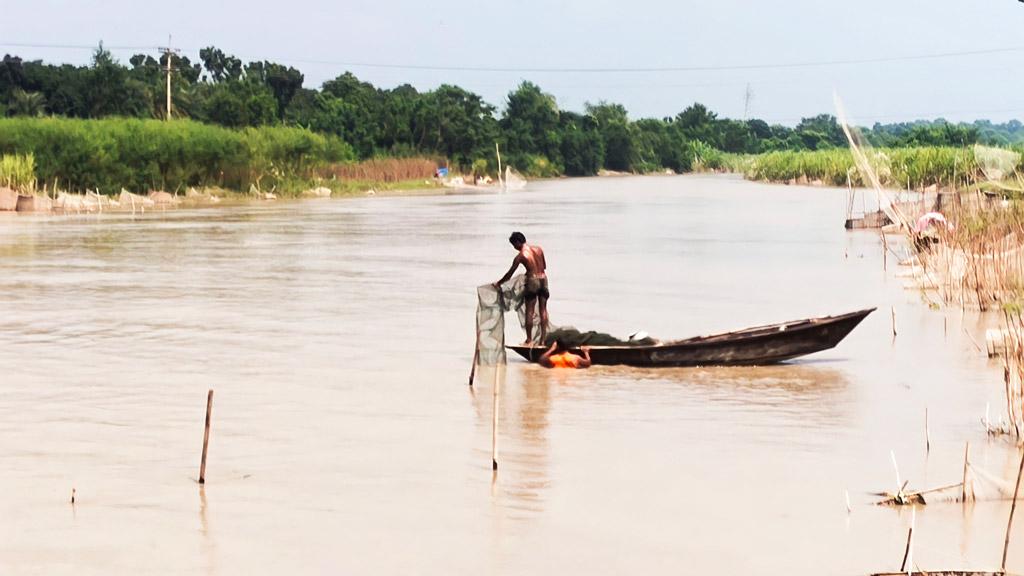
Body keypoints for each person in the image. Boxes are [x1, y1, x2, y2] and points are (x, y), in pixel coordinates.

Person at [494, 231, 549, 345]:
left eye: (514, 245)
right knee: (543, 310)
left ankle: (529, 340)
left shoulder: (520, 256)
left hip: (532, 282)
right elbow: (544, 266)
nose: (515, 248)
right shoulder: (538, 249)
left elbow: (509, 275)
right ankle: (543, 340)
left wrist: (499, 283)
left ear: (517, 242)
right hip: (544, 280)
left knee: (529, 311)